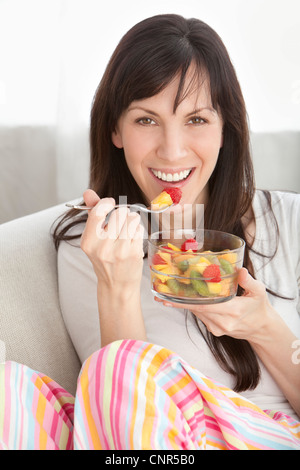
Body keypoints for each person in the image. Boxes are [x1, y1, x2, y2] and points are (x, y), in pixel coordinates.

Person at [1, 14, 299, 450]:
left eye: (196, 119)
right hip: (159, 443)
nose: (172, 150)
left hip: (269, 435)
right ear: (115, 130)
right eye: (146, 120)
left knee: (120, 364)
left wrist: (263, 327)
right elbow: (120, 410)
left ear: (225, 129)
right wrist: (116, 288)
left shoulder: (288, 220)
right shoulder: (91, 244)